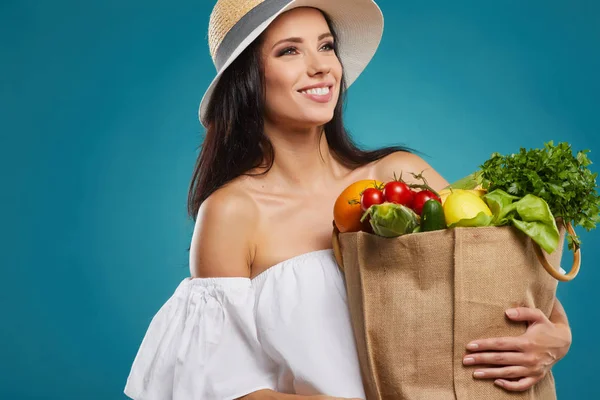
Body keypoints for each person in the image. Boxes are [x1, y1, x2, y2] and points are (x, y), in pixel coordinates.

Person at [124, 1, 572, 399]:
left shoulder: (397, 175)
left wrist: (556, 339)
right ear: (248, 80)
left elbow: (496, 277)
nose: (321, 67)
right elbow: (221, 386)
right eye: (289, 51)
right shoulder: (232, 212)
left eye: (325, 46)